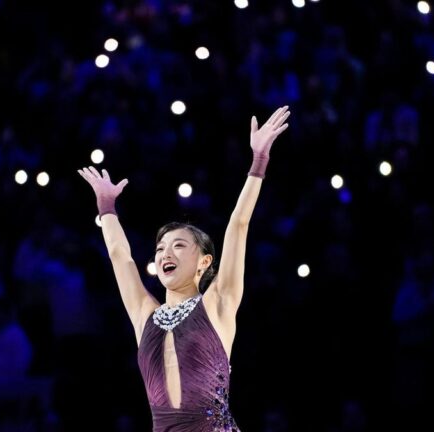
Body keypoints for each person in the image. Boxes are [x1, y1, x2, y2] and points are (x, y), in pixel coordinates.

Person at [77, 106, 290, 431]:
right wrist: (107, 207)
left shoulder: (219, 303)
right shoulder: (143, 314)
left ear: (204, 262)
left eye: (178, 245)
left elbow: (239, 224)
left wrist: (258, 162)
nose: (165, 252)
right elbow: (121, 256)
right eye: (161, 247)